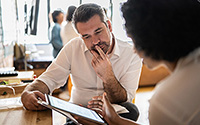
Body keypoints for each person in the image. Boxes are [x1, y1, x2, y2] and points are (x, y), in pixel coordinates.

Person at [21, 3, 142, 122]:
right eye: (86, 36)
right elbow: (49, 79)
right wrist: (27, 93)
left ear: (109, 26)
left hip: (113, 115)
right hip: (79, 113)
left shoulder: (131, 54)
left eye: (98, 31)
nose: (95, 41)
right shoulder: (73, 47)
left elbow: (124, 99)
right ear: (80, 36)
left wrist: (108, 76)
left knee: (132, 110)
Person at [84, 0, 200, 125]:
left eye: (134, 41)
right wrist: (115, 120)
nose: (134, 50)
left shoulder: (166, 101)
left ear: (150, 39)